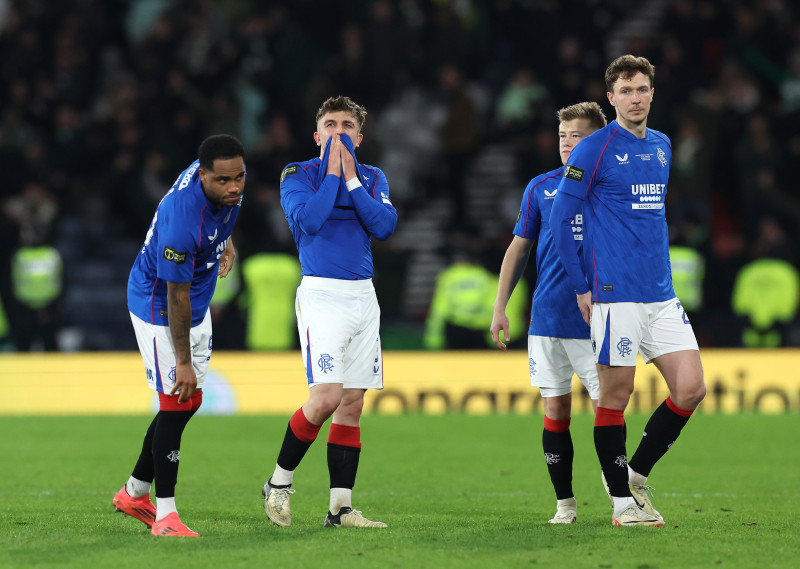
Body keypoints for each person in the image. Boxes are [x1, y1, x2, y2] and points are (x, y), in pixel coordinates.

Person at [550, 55, 706, 527]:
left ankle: (634, 473)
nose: (635, 98)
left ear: (652, 93)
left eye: (642, 89)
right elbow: (561, 220)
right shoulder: (593, 148)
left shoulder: (661, 146)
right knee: (614, 397)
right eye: (626, 91)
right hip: (615, 294)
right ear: (611, 98)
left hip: (660, 293)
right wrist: (581, 286)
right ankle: (622, 504)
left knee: (692, 389)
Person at [262, 96, 397, 529]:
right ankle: (278, 484)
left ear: (360, 136)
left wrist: (353, 182)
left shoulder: (373, 177)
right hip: (322, 294)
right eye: (330, 124)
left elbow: (384, 226)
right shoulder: (297, 174)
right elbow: (312, 221)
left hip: (363, 295)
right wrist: (336, 176)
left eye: (347, 126)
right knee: (325, 397)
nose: (339, 132)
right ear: (317, 135)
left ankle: (340, 508)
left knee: (352, 404)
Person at [113, 134, 246, 538]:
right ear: (203, 175)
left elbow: (220, 215)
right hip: (160, 307)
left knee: (189, 401)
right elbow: (175, 295)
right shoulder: (182, 221)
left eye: (238, 177)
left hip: (197, 297)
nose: (235, 187)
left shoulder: (222, 177)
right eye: (223, 181)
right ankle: (165, 517)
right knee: (176, 399)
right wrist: (183, 362)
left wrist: (226, 242)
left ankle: (135, 491)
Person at [490, 101, 607, 524]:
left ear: (595, 139)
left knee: (606, 410)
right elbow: (519, 247)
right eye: (562, 135)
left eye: (575, 135)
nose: (566, 143)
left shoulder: (609, 185)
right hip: (547, 321)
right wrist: (501, 307)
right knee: (555, 411)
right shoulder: (541, 187)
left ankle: (621, 499)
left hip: (598, 319)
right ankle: (565, 505)